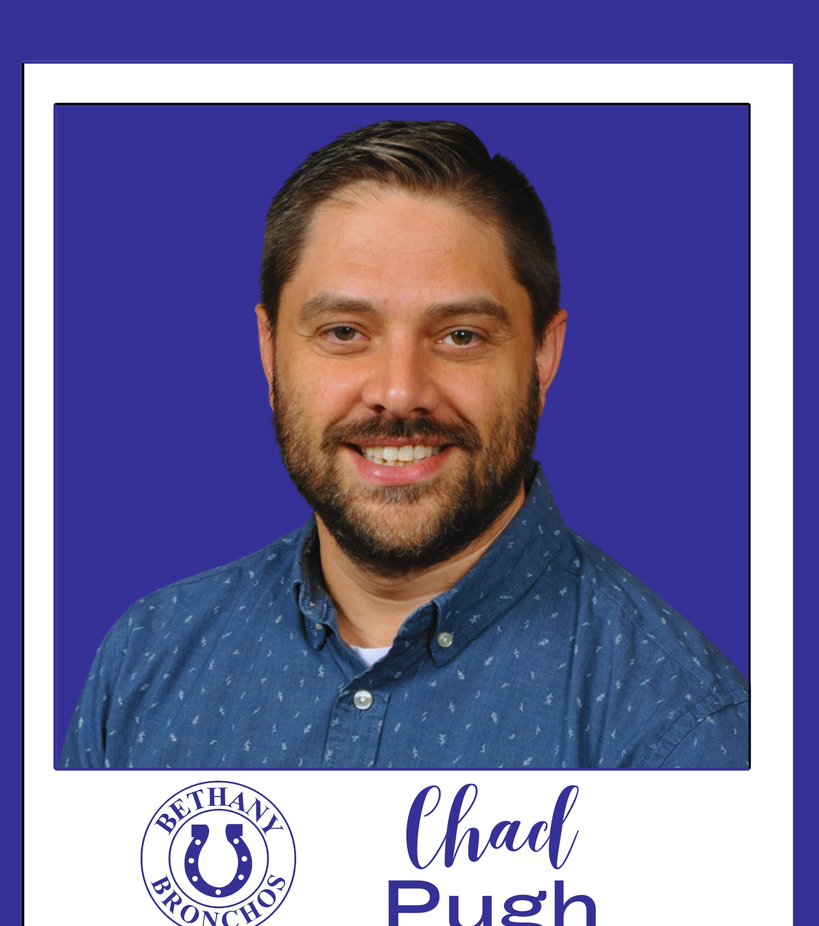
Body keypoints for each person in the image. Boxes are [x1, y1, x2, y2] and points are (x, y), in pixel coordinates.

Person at [61, 120, 748, 770]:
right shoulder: (147, 662)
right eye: (343, 332)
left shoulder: (679, 728)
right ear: (269, 352)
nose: (398, 392)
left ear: (543, 356)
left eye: (460, 336)